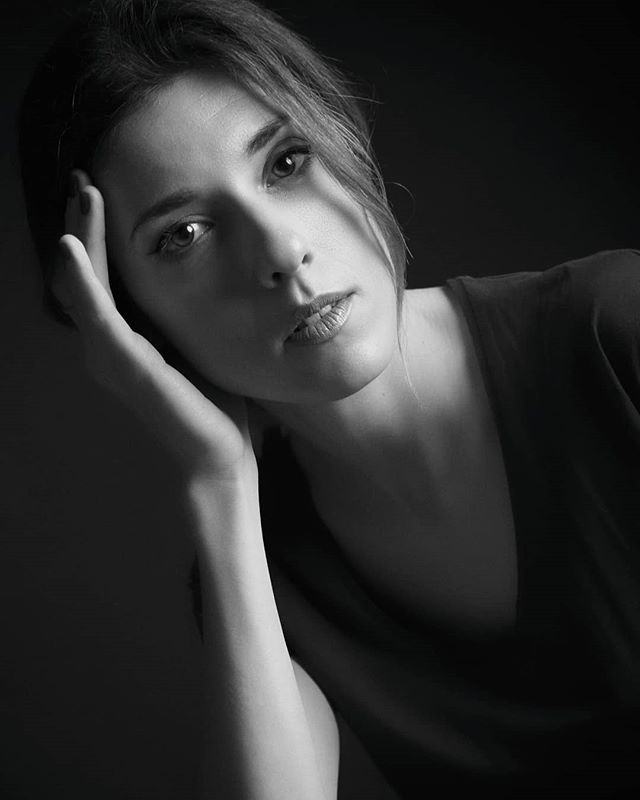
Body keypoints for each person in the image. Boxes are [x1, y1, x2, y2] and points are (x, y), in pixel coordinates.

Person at [18, 0, 640, 797]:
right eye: (184, 235)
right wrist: (218, 479)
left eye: (285, 162)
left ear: (346, 140)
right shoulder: (262, 569)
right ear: (131, 316)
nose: (281, 251)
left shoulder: (614, 333)